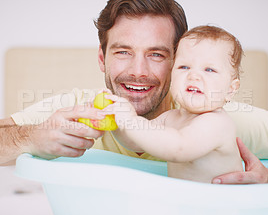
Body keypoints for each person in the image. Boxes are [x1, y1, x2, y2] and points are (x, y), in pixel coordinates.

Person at [0, 0, 268, 184]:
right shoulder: (76, 110)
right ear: (101, 58)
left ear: (179, 62)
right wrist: (28, 137)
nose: (138, 71)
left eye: (158, 55)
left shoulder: (214, 119)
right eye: (123, 51)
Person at [104, 25, 244, 183]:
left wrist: (131, 121)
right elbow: (135, 141)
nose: (193, 76)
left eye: (209, 70)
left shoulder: (216, 123)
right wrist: (114, 117)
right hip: (186, 202)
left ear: (231, 89)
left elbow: (179, 148)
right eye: (184, 67)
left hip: (220, 205)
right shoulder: (170, 118)